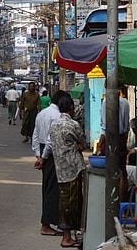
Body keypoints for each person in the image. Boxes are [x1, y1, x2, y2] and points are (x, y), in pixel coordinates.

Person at [40, 91, 85, 248]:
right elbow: (83, 142)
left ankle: (69, 235)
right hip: (74, 168)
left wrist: (42, 159)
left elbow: (50, 145)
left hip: (60, 169)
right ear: (71, 108)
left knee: (65, 203)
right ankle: (67, 237)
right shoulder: (73, 124)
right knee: (73, 203)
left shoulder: (55, 125)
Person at [32, 90, 62, 236]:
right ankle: (46, 224)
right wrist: (43, 157)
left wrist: (38, 155)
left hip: (44, 151)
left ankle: (50, 221)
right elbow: (51, 140)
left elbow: (35, 135)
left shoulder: (42, 113)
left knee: (48, 187)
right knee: (52, 189)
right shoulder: (57, 116)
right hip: (51, 152)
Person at [98, 86, 130, 168]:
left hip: (110, 138)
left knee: (110, 167)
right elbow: (126, 126)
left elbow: (104, 126)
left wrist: (100, 142)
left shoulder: (106, 102)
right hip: (122, 138)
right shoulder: (125, 102)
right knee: (122, 167)